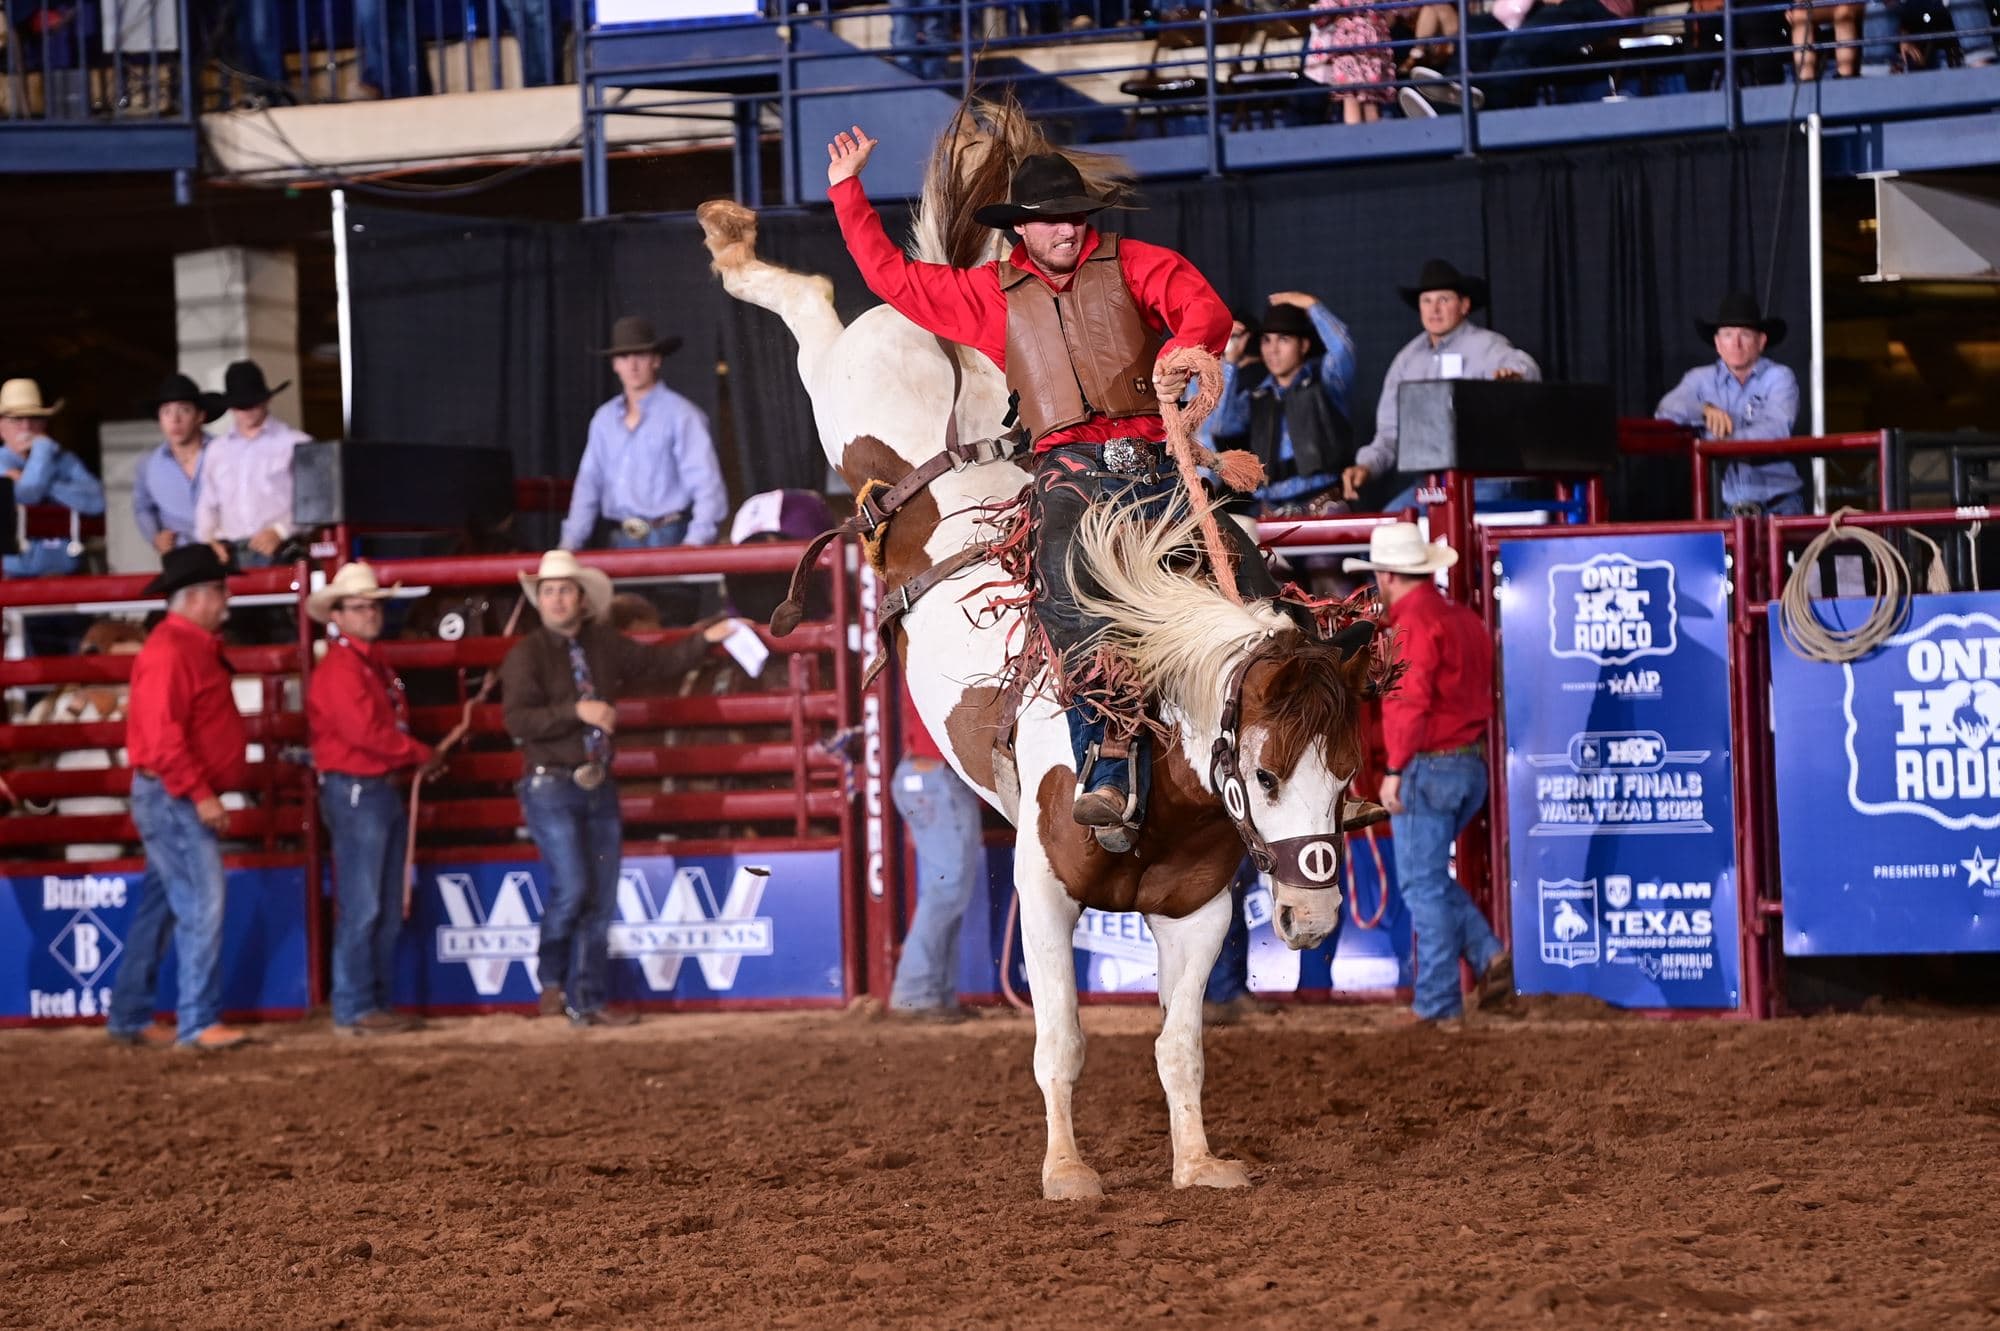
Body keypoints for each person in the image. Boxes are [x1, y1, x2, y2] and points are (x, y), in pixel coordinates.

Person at [825, 124, 1268, 840]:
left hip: (1151, 458)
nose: (1065, 227)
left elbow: (1202, 306)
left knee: (1243, 565)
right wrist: (848, 191)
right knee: (1065, 591)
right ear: (1022, 230)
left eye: (1073, 214)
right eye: (1049, 218)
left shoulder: (1134, 264)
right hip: (1067, 473)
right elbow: (892, 278)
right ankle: (1107, 757)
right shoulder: (991, 296)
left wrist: (1187, 346)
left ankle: (1294, 743)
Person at [499, 550, 747, 1026]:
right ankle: (554, 979)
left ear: (580, 599)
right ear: (540, 599)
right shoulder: (526, 655)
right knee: (575, 888)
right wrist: (578, 711)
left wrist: (705, 637)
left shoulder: (603, 643)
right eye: (549, 591)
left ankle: (585, 996)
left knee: (598, 895)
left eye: (564, 590)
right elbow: (517, 721)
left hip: (593, 783)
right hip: (551, 782)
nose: (556, 599)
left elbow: (658, 661)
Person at [1342, 523, 1510, 1023]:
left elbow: (1409, 703)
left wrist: (1393, 769)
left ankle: (1438, 1003)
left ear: (1389, 576)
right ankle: (1488, 956)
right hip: (1468, 765)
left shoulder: (1410, 627)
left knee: (1421, 884)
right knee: (1429, 879)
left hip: (1428, 766)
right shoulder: (1464, 619)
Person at [119, 544, 251, 1050]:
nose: (226, 598)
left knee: (163, 906)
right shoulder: (173, 651)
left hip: (168, 792)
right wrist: (202, 795)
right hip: (175, 794)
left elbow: (167, 735)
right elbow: (165, 739)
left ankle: (132, 1012)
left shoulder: (179, 647)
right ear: (195, 597)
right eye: (220, 590)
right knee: (201, 901)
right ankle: (197, 1020)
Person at [307, 562, 436, 1037]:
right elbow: (367, 734)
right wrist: (419, 752)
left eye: (373, 607)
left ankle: (369, 1002)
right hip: (361, 788)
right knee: (366, 904)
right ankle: (357, 1003)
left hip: (370, 788)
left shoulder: (364, 663)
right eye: (358, 607)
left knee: (375, 902)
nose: (368, 615)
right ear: (338, 614)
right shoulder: (346, 668)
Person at [1341, 259, 1540, 508]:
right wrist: (1366, 466)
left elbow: (1527, 367)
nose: (1434, 309)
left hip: (1486, 481)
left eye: (1443, 300)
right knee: (1388, 533)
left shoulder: (1486, 346)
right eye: (1426, 301)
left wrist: (1515, 377)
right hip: (1431, 486)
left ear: (1464, 305)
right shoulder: (1407, 360)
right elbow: (1389, 433)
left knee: (1457, 531)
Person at [559, 316, 729, 554]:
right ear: (614, 364)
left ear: (656, 360)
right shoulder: (603, 420)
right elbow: (588, 485)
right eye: (624, 357)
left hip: (669, 536)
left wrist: (694, 544)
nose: (632, 365)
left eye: (640, 355)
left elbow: (707, 485)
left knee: (668, 593)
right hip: (620, 539)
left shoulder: (683, 415)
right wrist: (568, 546)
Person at [1206, 294, 1358, 515]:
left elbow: (1343, 350)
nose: (1273, 349)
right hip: (1271, 514)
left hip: (1323, 509)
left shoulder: (1326, 384)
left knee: (1328, 551)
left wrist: (1312, 306)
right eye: (1267, 340)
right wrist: (1230, 363)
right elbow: (1220, 426)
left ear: (1303, 345)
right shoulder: (1257, 397)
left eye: (1283, 339)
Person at [1655, 293, 1803, 517]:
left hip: (1779, 507)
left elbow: (1777, 429)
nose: (1736, 343)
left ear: (1761, 341)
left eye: (1744, 334)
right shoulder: (1700, 378)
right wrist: (1704, 410)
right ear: (1717, 343)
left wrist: (1719, 441)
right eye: (1727, 334)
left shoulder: (1779, 376)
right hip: (1725, 510)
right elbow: (1666, 408)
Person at [889, 687, 984, 1021]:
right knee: (947, 889)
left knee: (944, 888)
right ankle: (916, 993)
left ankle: (935, 993)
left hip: (922, 774)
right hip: (936, 778)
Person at [197, 361, 311, 569]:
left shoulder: (295, 443)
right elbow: (207, 504)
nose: (247, 410)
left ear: (267, 400)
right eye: (241, 405)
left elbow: (313, 501)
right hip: (230, 553)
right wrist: (208, 541)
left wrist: (281, 531)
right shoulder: (217, 450)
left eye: (253, 403)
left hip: (282, 549)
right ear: (231, 407)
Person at [0, 378, 105, 577]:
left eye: (34, 418)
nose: (26, 427)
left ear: (45, 424)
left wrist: (45, 478)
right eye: (16, 420)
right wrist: (42, 453)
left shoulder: (63, 459)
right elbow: (28, 494)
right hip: (14, 580)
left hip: (67, 575)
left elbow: (97, 501)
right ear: (0, 426)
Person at [132, 373, 220, 557]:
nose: (175, 419)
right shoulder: (148, 464)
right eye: (167, 412)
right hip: (180, 556)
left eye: (184, 410)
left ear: (200, 416)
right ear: (160, 419)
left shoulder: (224, 454)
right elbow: (142, 507)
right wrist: (155, 536)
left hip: (227, 551)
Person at [1306, 0, 1395, 125]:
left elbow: (1321, 16)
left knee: (1356, 97)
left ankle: (1362, 140)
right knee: (1366, 98)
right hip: (1367, 45)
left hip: (1353, 45)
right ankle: (1373, 140)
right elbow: (1391, 16)